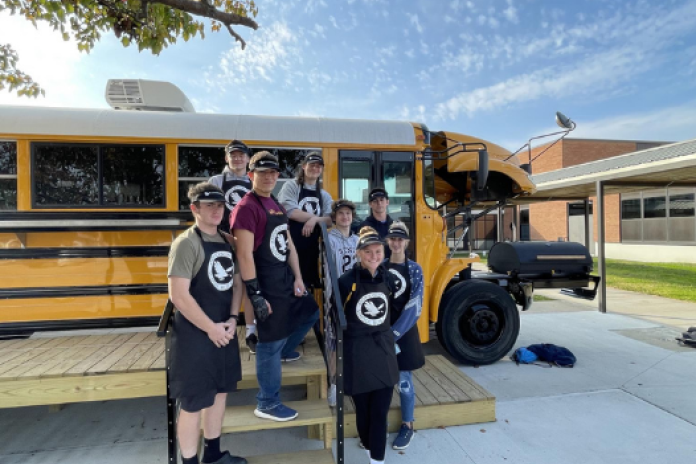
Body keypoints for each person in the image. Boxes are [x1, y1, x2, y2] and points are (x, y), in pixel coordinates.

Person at [230, 151, 320, 422]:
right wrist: (255, 294)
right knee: (269, 341)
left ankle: (281, 352)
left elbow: (288, 243)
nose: (269, 177)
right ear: (251, 175)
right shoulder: (246, 208)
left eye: (273, 173)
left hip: (285, 278)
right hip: (265, 281)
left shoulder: (275, 204)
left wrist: (299, 278)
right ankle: (267, 402)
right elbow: (245, 255)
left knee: (310, 312)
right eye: (262, 173)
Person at [167, 182, 246, 464]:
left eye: (220, 205)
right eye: (209, 205)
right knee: (193, 403)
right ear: (195, 208)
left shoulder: (228, 241)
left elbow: (237, 285)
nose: (216, 210)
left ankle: (213, 455)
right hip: (195, 337)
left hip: (223, 331)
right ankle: (189, 461)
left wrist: (232, 319)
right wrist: (210, 328)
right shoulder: (186, 243)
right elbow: (178, 295)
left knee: (220, 394)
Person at [338, 227, 399, 464]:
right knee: (363, 412)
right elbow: (337, 318)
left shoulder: (390, 279)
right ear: (358, 254)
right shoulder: (345, 282)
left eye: (377, 251)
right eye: (368, 252)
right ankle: (368, 448)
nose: (374, 256)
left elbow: (393, 310)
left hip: (383, 350)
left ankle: (377, 460)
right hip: (357, 352)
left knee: (380, 412)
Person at [208, 139, 259, 354]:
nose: (237, 158)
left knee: (248, 285)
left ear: (248, 159)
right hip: (221, 241)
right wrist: (224, 236)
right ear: (226, 158)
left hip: (248, 243)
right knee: (221, 284)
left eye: (241, 155)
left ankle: (250, 331)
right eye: (233, 155)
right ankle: (218, 328)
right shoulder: (217, 181)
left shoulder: (253, 181)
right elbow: (208, 212)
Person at [384, 221, 425, 450]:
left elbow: (415, 304)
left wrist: (395, 333)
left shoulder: (414, 269)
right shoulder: (379, 265)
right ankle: (377, 425)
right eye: (393, 239)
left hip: (404, 332)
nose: (396, 243)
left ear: (406, 242)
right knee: (380, 380)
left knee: (404, 381)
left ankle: (408, 425)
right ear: (388, 241)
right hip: (381, 332)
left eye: (401, 239)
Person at [278, 152, 333, 290]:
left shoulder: (324, 195)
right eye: (312, 165)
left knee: (310, 287)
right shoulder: (291, 186)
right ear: (303, 166)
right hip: (291, 245)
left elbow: (330, 220)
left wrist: (314, 219)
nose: (315, 168)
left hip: (313, 250)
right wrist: (315, 218)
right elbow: (291, 212)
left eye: (318, 166)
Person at [357, 187, 394, 259]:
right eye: (375, 201)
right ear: (370, 204)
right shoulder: (364, 227)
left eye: (381, 200)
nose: (379, 203)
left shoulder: (395, 226)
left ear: (387, 202)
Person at [327, 199, 359, 277]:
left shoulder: (358, 240)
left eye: (348, 213)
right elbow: (327, 271)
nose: (345, 216)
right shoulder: (329, 239)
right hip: (338, 287)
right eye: (340, 213)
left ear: (352, 216)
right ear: (334, 217)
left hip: (356, 287)